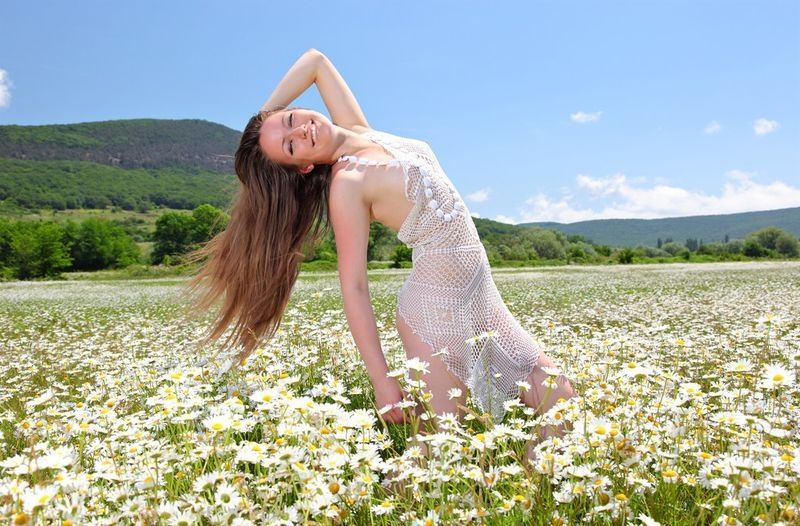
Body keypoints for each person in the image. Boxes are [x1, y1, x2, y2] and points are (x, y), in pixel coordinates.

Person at [181, 49, 577, 464]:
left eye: (294, 121)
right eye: (292, 146)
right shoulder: (347, 185)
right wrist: (382, 381)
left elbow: (315, 61)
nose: (303, 132)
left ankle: (539, 492)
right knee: (440, 452)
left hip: (482, 300)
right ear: (302, 168)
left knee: (559, 396)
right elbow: (353, 286)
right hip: (434, 313)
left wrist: (263, 119)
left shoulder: (359, 129)